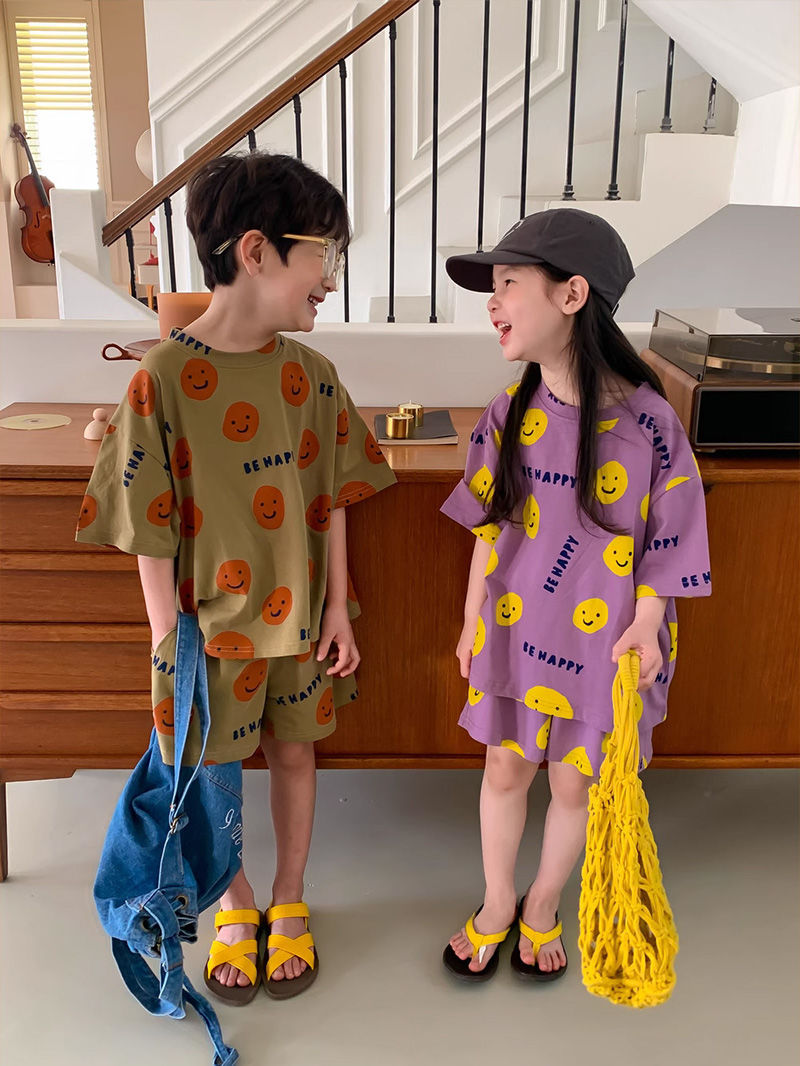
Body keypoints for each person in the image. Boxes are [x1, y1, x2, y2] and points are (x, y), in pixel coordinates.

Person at [76, 151, 396, 1004]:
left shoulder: (310, 376)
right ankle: (234, 900)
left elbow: (334, 493)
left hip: (300, 626)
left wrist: (339, 606)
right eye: (323, 253)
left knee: (295, 753)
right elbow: (145, 526)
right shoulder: (161, 381)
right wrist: (165, 642)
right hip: (203, 635)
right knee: (211, 774)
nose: (331, 278)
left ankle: (289, 895)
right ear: (256, 251)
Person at [439, 209, 710, 982]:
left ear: (571, 294)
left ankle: (543, 902)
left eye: (508, 284)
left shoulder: (652, 424)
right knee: (504, 769)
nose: (492, 303)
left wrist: (649, 624)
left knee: (573, 782)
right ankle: (498, 901)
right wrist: (470, 619)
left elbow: (671, 540)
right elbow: (489, 530)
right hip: (516, 631)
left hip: (607, 644)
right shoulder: (509, 412)